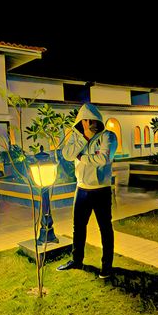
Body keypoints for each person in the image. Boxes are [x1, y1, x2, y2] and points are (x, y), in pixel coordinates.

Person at [56, 103, 118, 278]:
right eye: (85, 121)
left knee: (105, 228)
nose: (89, 123)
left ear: (98, 120)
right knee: (78, 227)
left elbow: (104, 158)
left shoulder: (108, 136)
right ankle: (77, 260)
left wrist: (82, 156)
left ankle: (107, 266)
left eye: (91, 120)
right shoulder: (77, 137)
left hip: (101, 190)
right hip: (81, 189)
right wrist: (83, 138)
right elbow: (67, 155)